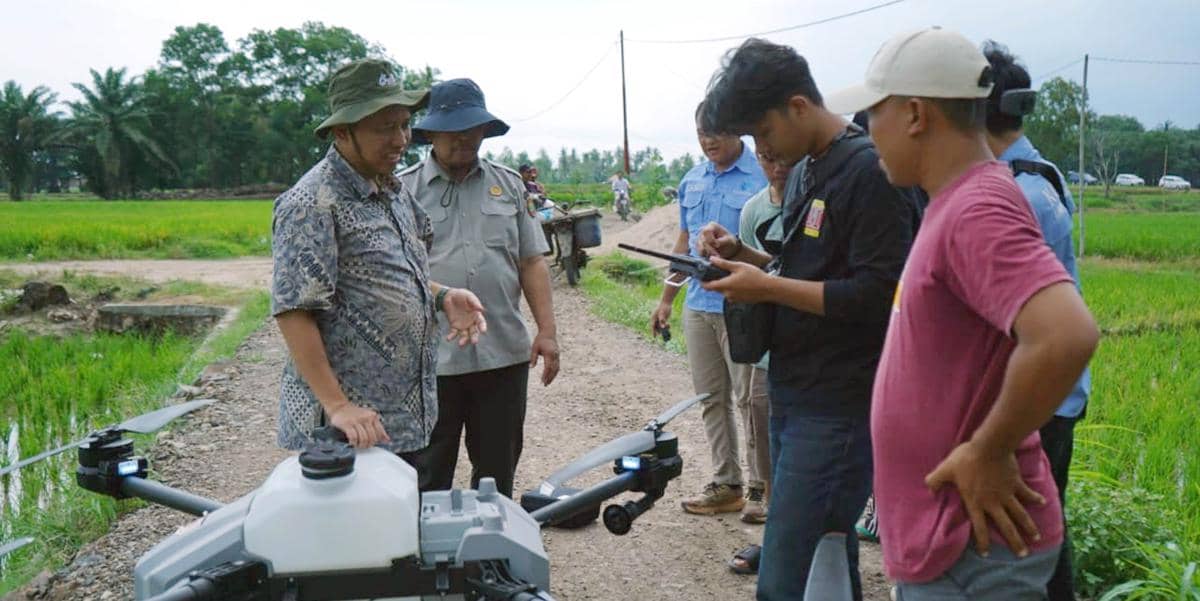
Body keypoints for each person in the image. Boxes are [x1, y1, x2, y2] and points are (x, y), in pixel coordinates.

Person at [826, 27, 1099, 599]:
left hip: (972, 552)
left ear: (916, 114)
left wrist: (989, 448)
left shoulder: (976, 207)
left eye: (874, 113)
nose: (866, 131)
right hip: (952, 545)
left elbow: (1066, 336)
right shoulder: (954, 199)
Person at [696, 38, 923, 601]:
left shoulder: (870, 171)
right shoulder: (809, 168)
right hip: (796, 388)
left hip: (840, 403)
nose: (762, 147)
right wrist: (743, 257)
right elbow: (804, 266)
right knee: (823, 557)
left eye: (763, 132)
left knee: (785, 569)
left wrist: (766, 285)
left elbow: (880, 294)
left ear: (799, 106)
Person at [271, 59, 487, 456]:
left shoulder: (391, 189)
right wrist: (337, 405)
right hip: (346, 432)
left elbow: (393, 274)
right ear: (342, 131)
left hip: (400, 420)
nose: (401, 139)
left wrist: (441, 296)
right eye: (385, 128)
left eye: (404, 124)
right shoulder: (312, 202)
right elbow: (293, 309)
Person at [399, 78, 559, 498]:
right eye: (453, 130)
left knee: (496, 475)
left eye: (473, 128)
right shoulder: (403, 191)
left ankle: (492, 558)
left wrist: (547, 332)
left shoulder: (508, 185)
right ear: (431, 134)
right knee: (427, 477)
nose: (465, 138)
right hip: (429, 363)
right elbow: (394, 272)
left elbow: (531, 261)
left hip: (501, 356)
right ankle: (430, 562)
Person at [982, 39, 1091, 601]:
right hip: (1046, 394)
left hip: (1038, 398)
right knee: (1043, 533)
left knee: (1031, 540)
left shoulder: (1021, 191)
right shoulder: (1030, 172)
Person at [649, 102, 766, 518]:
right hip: (698, 306)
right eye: (701, 131)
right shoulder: (692, 180)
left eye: (716, 130)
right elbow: (683, 242)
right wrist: (667, 298)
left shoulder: (763, 175)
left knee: (751, 400)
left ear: (739, 130)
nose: (708, 139)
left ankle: (760, 487)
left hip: (744, 307)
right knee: (710, 398)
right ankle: (726, 482)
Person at [726, 147, 791, 575]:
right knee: (765, 431)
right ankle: (775, 535)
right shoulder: (753, 210)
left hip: (815, 350)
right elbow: (751, 280)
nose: (775, 165)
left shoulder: (818, 202)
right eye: (766, 157)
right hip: (769, 351)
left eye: (782, 155)